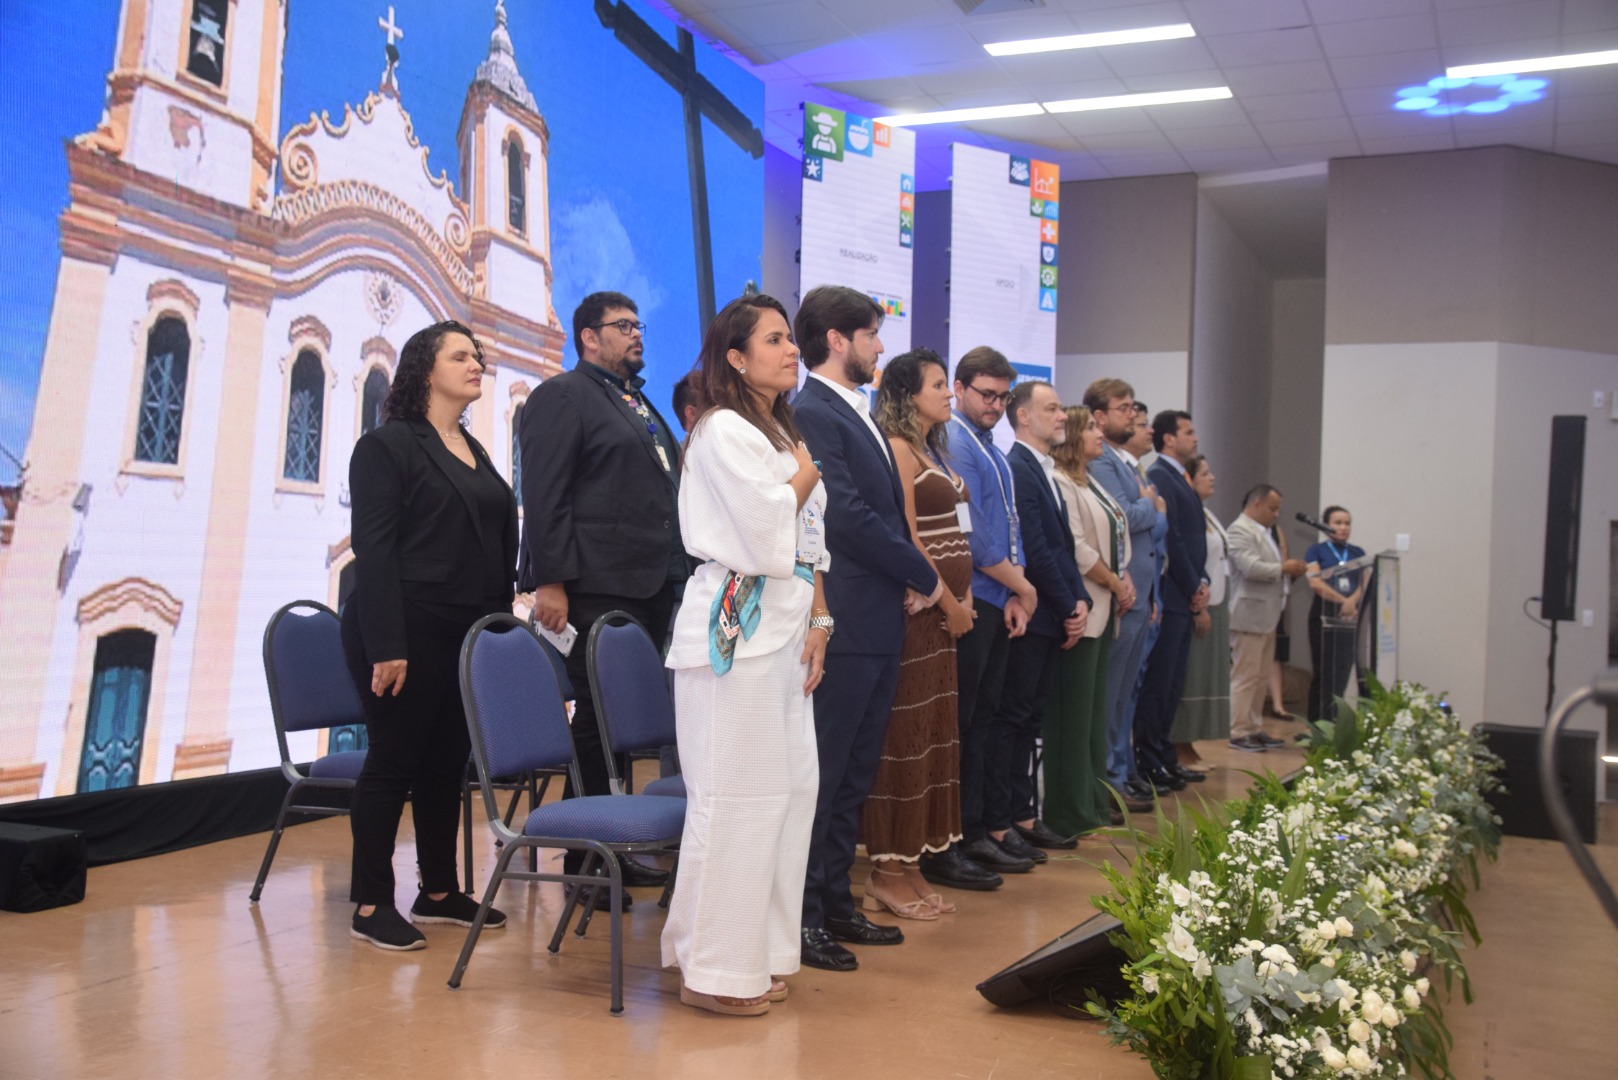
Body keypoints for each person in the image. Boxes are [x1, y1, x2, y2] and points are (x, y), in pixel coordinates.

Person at [661, 293, 829, 1017]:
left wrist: (823, 615)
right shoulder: (724, 428)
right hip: (738, 631)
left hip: (786, 630)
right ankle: (715, 972)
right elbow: (767, 531)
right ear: (736, 357)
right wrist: (804, 476)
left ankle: (747, 951)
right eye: (774, 339)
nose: (791, 349)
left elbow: (809, 543)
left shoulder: (776, 427)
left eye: (791, 338)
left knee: (788, 794)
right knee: (737, 798)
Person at [341, 320, 517, 951]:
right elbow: (376, 551)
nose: (477, 364)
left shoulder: (473, 447)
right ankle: (369, 903)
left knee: (446, 764)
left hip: (464, 629)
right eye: (461, 356)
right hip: (404, 627)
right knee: (394, 761)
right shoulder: (388, 446)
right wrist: (388, 643)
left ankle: (438, 891)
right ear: (426, 369)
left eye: (478, 355)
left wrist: (498, 630)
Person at [791, 285, 941, 972]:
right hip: (843, 614)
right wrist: (923, 571)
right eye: (873, 334)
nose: (882, 346)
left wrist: (907, 572)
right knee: (823, 772)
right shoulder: (812, 409)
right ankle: (803, 917)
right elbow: (845, 513)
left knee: (854, 771)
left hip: (874, 614)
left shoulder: (855, 409)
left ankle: (836, 900)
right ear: (837, 340)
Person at [518, 291, 685, 902]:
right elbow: (544, 494)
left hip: (652, 585)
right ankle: (586, 861)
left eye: (639, 324)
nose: (637, 334)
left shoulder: (636, 401)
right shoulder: (561, 396)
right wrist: (551, 580)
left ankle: (611, 850)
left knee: (619, 722)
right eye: (623, 326)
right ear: (589, 337)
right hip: (592, 587)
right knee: (594, 718)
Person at [860, 349, 975, 920]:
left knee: (932, 738)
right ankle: (885, 869)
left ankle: (912, 864)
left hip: (947, 615)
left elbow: (956, 530)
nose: (948, 393)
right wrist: (948, 599)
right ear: (908, 396)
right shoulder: (899, 450)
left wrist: (966, 596)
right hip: (922, 612)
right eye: (938, 384)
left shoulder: (935, 449)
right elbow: (905, 535)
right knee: (902, 740)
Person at [930, 346, 1040, 888]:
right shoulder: (954, 441)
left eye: (1003, 396)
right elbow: (971, 533)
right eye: (986, 394)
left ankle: (978, 830)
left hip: (999, 597)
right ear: (960, 387)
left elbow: (1009, 525)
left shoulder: (990, 445)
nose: (996, 404)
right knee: (966, 724)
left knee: (987, 718)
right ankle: (960, 835)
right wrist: (1021, 584)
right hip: (971, 596)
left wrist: (1018, 591)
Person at [987, 381, 1089, 863]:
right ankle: (1004, 819)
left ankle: (1024, 815)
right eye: (1051, 408)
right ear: (1023, 416)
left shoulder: (1043, 468)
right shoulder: (1019, 467)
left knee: (1029, 719)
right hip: (1032, 612)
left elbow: (1063, 546)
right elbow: (1037, 549)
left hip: (1050, 610)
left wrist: (1080, 598)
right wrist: (1069, 604)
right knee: (1013, 718)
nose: (1063, 416)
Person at [1044, 405, 1133, 836]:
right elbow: (1078, 549)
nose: (1100, 434)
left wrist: (1124, 577)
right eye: (1092, 427)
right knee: (1073, 720)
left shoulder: (1091, 481)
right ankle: (1070, 810)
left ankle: (1096, 803)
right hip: (1084, 605)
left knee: (1095, 716)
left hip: (1106, 604)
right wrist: (1115, 583)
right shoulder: (1061, 482)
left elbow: (1117, 532)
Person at [1084, 380, 1164, 812]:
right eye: (1123, 408)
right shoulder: (1104, 463)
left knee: (1124, 693)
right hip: (1121, 592)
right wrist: (1153, 508)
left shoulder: (1126, 463)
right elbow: (1124, 518)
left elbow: (1147, 524)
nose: (1132, 415)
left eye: (1133, 407)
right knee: (1111, 693)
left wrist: (1150, 512)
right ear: (1098, 416)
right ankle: (1109, 781)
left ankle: (1118, 773)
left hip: (1140, 593)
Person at [1132, 410, 1208, 792]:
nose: (1196, 438)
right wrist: (1194, 582)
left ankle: (1164, 754)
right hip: (1173, 593)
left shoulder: (1177, 476)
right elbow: (1173, 540)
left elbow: (1195, 539)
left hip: (1184, 594)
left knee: (1172, 683)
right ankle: (1150, 758)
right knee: (1158, 684)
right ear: (1169, 440)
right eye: (1188, 432)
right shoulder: (1160, 476)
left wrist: (1203, 579)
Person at [1227, 484, 1308, 752]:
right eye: (1273, 508)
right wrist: (1283, 568)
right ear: (1257, 504)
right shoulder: (1240, 530)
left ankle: (1254, 726)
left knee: (1261, 676)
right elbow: (1250, 567)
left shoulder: (1266, 532)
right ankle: (1238, 730)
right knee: (1245, 675)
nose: (1276, 515)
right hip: (1248, 614)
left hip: (1267, 614)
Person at [1170, 455, 1231, 766]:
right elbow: (1191, 558)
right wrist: (1199, 605)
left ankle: (1190, 743)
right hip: (1199, 602)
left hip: (1214, 598)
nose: (1212, 478)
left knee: (1205, 676)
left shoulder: (1207, 514)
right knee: (1191, 676)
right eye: (1205, 473)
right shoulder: (1192, 515)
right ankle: (1179, 745)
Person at [1305, 506, 1367, 721]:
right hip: (1324, 612)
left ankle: (1335, 722)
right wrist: (1343, 601)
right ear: (1325, 525)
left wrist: (1351, 601)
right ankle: (1317, 724)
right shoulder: (1316, 551)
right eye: (1338, 523)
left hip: (1350, 615)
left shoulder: (1357, 553)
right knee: (1324, 673)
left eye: (1347, 523)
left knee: (1342, 672)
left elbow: (1365, 581)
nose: (1343, 528)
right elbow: (1315, 582)